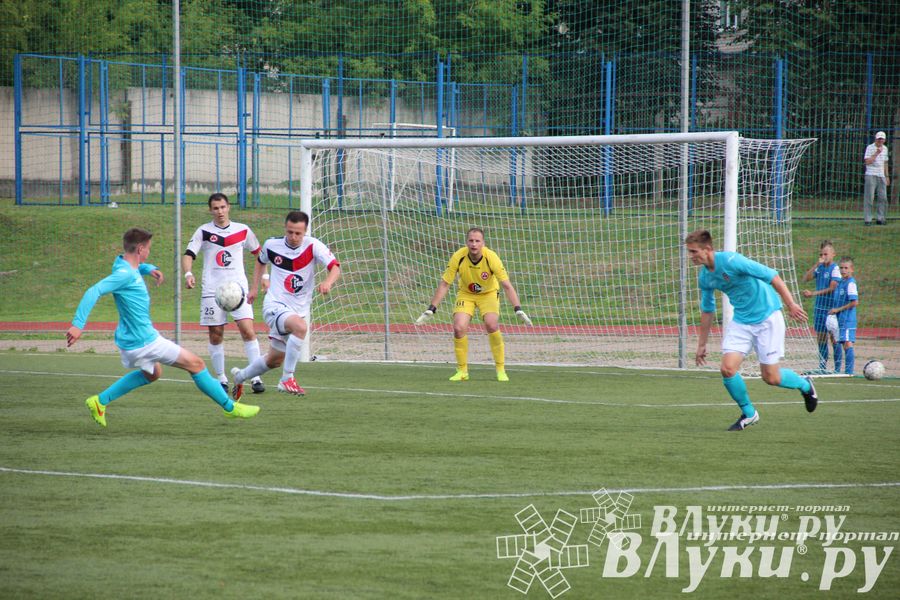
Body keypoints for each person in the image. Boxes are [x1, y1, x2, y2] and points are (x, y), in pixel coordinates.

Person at [67, 227, 259, 427]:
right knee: (196, 364)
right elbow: (94, 290)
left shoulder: (122, 265)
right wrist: (77, 325)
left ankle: (100, 401)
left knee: (153, 373)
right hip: (144, 340)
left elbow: (131, 268)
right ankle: (230, 407)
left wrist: (147, 268)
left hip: (130, 339)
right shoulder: (124, 275)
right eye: (148, 249)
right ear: (140, 249)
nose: (149, 251)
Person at [685, 229, 818, 431]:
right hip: (742, 321)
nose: (691, 256)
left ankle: (805, 385)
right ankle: (749, 413)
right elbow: (707, 310)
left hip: (767, 317)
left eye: (694, 251)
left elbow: (772, 276)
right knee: (727, 369)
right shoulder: (705, 277)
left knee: (770, 377)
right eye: (690, 252)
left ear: (708, 249)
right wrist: (701, 344)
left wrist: (791, 304)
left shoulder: (731, 261)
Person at [230, 211, 341, 398]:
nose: (293, 237)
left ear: (305, 231)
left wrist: (328, 282)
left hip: (298, 309)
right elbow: (260, 262)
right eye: (290, 232)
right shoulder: (272, 244)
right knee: (300, 327)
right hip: (275, 305)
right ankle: (287, 379)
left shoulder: (314, 246)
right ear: (285, 228)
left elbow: (335, 267)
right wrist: (255, 288)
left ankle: (240, 376)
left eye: (298, 233)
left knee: (274, 360)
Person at [415, 227, 532, 382]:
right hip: (466, 294)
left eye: (477, 241)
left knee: (491, 324)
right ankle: (462, 371)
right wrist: (431, 309)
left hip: (488, 294)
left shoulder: (492, 258)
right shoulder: (458, 256)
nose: (474, 244)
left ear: (483, 243)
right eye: (471, 240)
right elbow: (445, 284)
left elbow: (506, 285)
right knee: (458, 327)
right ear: (466, 242)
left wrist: (518, 309)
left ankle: (500, 369)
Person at [182, 192, 267, 394]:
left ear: (228, 207)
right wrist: (188, 273)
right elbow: (189, 254)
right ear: (210, 210)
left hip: (239, 290)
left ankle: (255, 377)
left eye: (222, 207)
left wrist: (264, 278)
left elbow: (260, 255)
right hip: (213, 291)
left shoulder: (243, 230)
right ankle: (221, 378)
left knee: (248, 330)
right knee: (216, 334)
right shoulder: (203, 231)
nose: (220, 211)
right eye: (215, 208)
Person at [801, 240, 842, 371]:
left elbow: (832, 287)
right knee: (821, 338)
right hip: (819, 308)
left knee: (834, 338)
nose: (824, 256)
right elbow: (805, 278)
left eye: (826, 254)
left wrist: (813, 293)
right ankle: (822, 367)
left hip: (831, 309)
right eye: (822, 254)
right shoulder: (820, 267)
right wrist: (816, 265)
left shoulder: (835, 269)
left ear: (833, 254)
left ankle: (837, 368)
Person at [826, 257, 859, 376]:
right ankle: (838, 369)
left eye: (846, 268)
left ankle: (849, 372)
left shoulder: (850, 283)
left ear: (852, 269)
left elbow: (854, 302)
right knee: (839, 342)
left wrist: (837, 310)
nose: (843, 270)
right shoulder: (841, 283)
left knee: (847, 343)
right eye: (841, 267)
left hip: (848, 319)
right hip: (840, 319)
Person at [863, 131, 890, 226]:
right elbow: (867, 162)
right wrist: (876, 153)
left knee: (883, 197)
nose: (880, 140)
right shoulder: (870, 148)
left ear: (884, 140)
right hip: (871, 174)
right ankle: (868, 219)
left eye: (882, 139)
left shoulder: (885, 149)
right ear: (875, 139)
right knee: (869, 197)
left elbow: (885, 163)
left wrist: (887, 176)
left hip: (881, 175)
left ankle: (880, 218)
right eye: (879, 139)